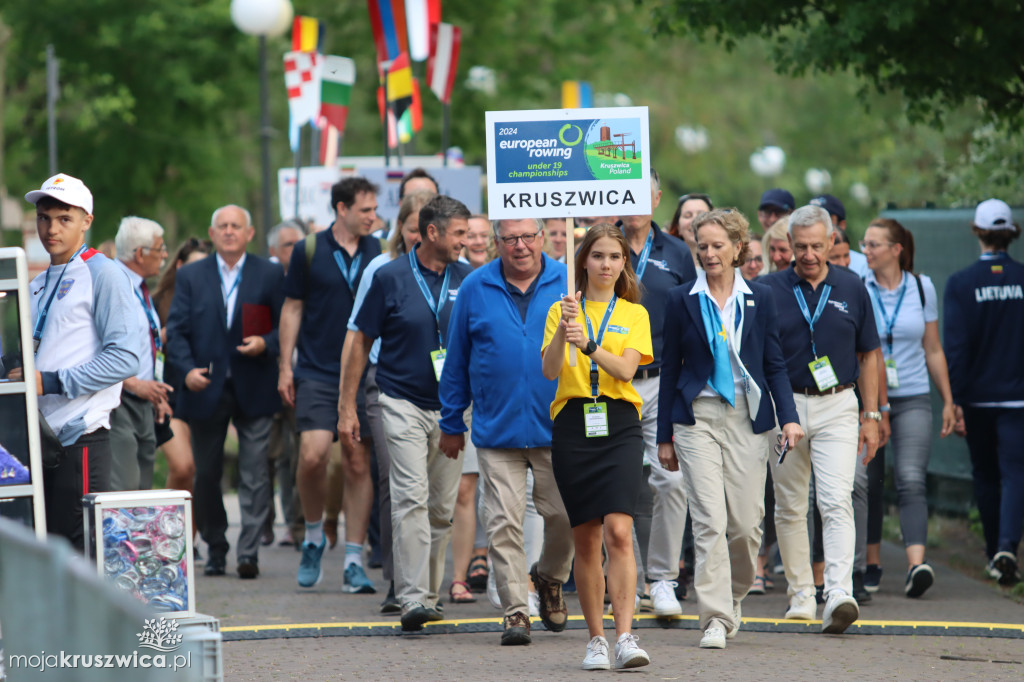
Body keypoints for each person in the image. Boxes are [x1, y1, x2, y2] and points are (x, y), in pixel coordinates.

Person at [658, 208, 803, 649]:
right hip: (697, 415)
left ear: (738, 248)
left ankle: (735, 593)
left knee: (744, 525)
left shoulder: (760, 299)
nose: (709, 253)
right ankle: (715, 617)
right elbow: (669, 370)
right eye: (702, 246)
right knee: (708, 520)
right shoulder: (682, 299)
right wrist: (665, 434)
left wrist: (790, 416)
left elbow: (774, 364)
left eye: (718, 245)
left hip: (747, 417)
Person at [340, 195, 472, 631]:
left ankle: (429, 595)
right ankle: (412, 596)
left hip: (453, 410)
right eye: (458, 233)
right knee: (410, 497)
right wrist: (347, 407)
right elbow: (359, 340)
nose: (465, 240)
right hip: (399, 401)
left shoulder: (470, 279)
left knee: (440, 507)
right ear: (431, 232)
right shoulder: (389, 276)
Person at [440, 216, 574, 646]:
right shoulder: (476, 287)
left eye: (528, 237)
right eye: (509, 238)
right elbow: (456, 358)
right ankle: (517, 610)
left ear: (542, 238)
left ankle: (550, 578)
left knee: (565, 517)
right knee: (502, 523)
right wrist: (451, 421)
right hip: (496, 428)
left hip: (558, 424)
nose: (519, 246)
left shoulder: (568, 279)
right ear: (495, 242)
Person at [761, 204, 881, 634]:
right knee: (790, 504)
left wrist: (871, 415)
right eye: (800, 247)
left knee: (835, 499)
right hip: (785, 405)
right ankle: (800, 595)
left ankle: (838, 593)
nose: (809, 254)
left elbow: (869, 355)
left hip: (838, 404)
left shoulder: (853, 286)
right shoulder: (768, 289)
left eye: (816, 246)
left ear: (832, 241)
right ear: (788, 246)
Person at [541, 223, 652, 670]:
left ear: (624, 264)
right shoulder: (560, 308)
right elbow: (549, 370)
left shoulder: (634, 314)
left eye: (615, 257)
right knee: (585, 538)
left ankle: (626, 634)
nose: (606, 264)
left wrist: (587, 343)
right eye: (598, 256)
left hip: (620, 423)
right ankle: (596, 639)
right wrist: (563, 331)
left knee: (619, 531)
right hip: (573, 424)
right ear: (582, 260)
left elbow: (625, 371)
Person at [22, 173, 140, 550]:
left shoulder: (104, 272)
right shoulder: (36, 285)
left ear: (87, 221)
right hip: (37, 440)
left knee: (82, 556)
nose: (50, 228)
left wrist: (49, 381)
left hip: (81, 440)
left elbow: (126, 357)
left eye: (63, 218)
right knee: (49, 557)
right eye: (43, 217)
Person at [166, 204, 284, 579]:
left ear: (250, 234)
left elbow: (288, 326)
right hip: (205, 385)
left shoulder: (269, 273)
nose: (230, 231)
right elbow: (177, 330)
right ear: (212, 233)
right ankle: (216, 547)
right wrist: (185, 372)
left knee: (255, 472)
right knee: (206, 473)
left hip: (255, 384)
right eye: (223, 226)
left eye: (237, 226)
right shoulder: (192, 276)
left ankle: (248, 552)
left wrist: (266, 343)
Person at [280, 177, 382, 593]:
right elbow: (292, 307)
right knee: (312, 455)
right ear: (341, 209)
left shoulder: (380, 251)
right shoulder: (309, 249)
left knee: (358, 461)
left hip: (364, 372)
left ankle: (354, 560)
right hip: (318, 371)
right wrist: (285, 367)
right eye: (365, 211)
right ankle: (313, 535)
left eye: (375, 211)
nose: (373, 218)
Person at [348, 190, 434, 613]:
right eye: (413, 227)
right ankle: (399, 581)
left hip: (441, 392)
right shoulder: (382, 269)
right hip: (387, 386)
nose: (420, 235)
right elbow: (357, 333)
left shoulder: (453, 273)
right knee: (397, 482)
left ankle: (426, 581)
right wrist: (347, 402)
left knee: (432, 492)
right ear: (401, 228)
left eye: (426, 228)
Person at [861, 217, 956, 597]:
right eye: (864, 244)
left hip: (913, 393)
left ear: (896, 249)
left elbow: (933, 348)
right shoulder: (859, 285)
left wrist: (949, 400)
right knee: (868, 481)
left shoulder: (921, 287)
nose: (865, 250)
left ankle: (917, 564)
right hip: (869, 399)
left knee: (912, 478)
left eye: (873, 245)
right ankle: (871, 563)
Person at [617, 169, 697, 618]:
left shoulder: (678, 253)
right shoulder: (600, 248)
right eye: (623, 194)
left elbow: (690, 315)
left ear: (657, 199)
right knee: (618, 484)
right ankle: (622, 576)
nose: (631, 203)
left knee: (670, 480)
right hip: (609, 382)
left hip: (662, 380)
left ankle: (663, 579)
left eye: (640, 195)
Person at [944, 198, 1024, 586]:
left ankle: (996, 552)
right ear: (1011, 233)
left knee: (985, 475)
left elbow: (955, 348)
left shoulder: (961, 284)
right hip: (1018, 400)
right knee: (1015, 473)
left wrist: (954, 399)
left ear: (976, 232)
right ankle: (1008, 546)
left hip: (976, 399)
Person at [108, 216, 173, 492]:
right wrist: (134, 384)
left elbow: (149, 344)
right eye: (160, 248)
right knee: (125, 489)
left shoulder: (141, 289)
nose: (165, 255)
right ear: (140, 253)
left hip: (144, 400)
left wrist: (155, 393)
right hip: (118, 397)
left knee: (144, 489)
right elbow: (96, 348)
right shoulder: (111, 284)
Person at [152, 238, 208, 509]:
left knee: (201, 475)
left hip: (201, 396)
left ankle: (188, 541)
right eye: (193, 267)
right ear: (179, 266)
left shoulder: (213, 300)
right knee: (183, 467)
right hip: (167, 395)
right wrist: (162, 338)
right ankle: (162, 526)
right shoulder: (157, 302)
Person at [264, 219, 306, 546]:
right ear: (273, 250)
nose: (295, 251)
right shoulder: (265, 280)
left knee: (301, 455)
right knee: (269, 455)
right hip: (267, 378)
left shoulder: (314, 279)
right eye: (288, 245)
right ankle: (264, 523)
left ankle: (298, 525)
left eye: (299, 243)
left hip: (306, 378)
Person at [811, 194, 868, 277]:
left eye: (826, 220)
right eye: (811, 219)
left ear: (842, 225)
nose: (816, 225)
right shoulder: (799, 261)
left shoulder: (863, 266)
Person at [667, 192, 713, 267]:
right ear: (678, 226)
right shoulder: (664, 264)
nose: (694, 220)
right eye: (687, 216)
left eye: (702, 215)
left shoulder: (731, 266)